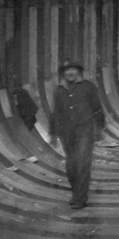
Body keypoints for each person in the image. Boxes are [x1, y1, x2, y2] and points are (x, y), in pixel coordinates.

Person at [50, 60, 105, 209]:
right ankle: (76, 193)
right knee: (71, 166)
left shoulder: (87, 87)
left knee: (82, 164)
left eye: (73, 70)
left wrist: (100, 127)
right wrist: (53, 133)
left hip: (84, 130)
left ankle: (80, 198)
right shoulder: (59, 90)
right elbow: (56, 112)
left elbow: (97, 107)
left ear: (78, 72)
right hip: (67, 132)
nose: (70, 73)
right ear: (63, 73)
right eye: (67, 70)